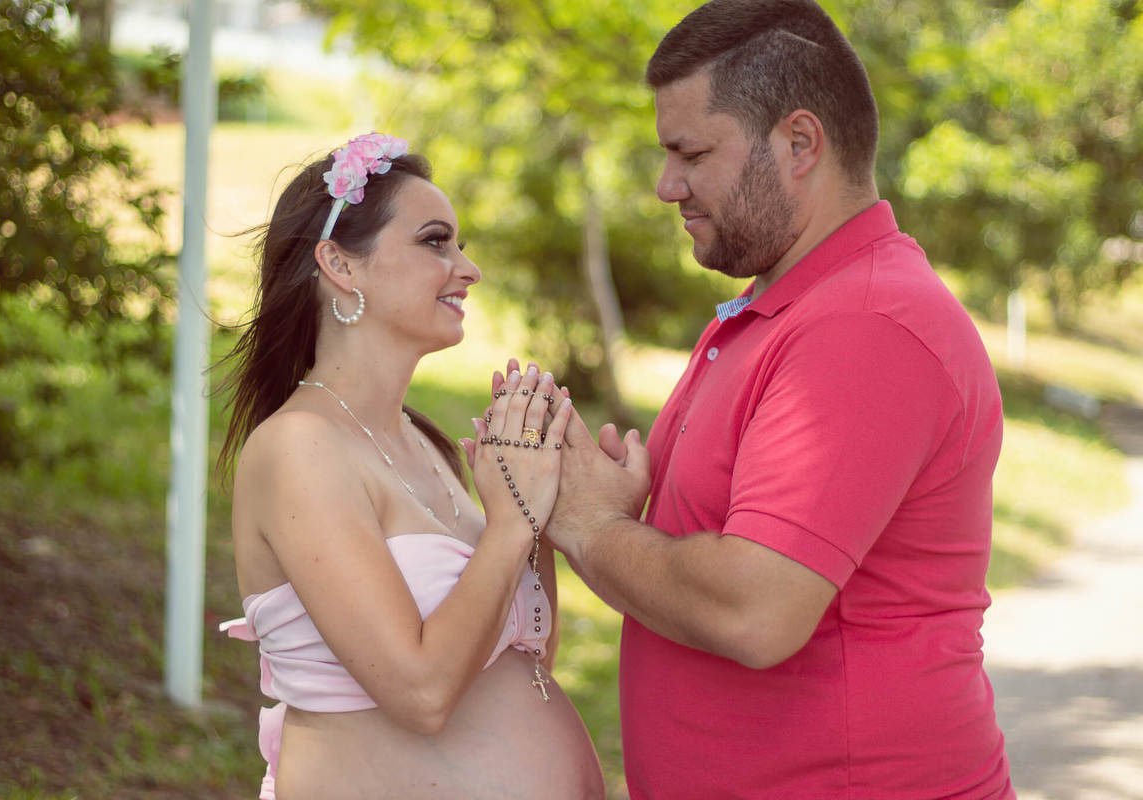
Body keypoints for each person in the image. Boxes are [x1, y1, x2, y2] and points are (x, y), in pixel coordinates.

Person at [541, 1, 1015, 797]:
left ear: (799, 143)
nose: (667, 186)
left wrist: (590, 526)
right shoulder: (785, 306)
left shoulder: (865, 323)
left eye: (690, 152)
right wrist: (639, 513)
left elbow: (752, 612)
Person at [216, 133, 605, 800]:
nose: (468, 267)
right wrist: (510, 524)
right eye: (435, 241)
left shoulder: (427, 444)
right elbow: (423, 692)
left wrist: (543, 510)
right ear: (341, 264)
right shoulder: (300, 449)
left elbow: (528, 655)